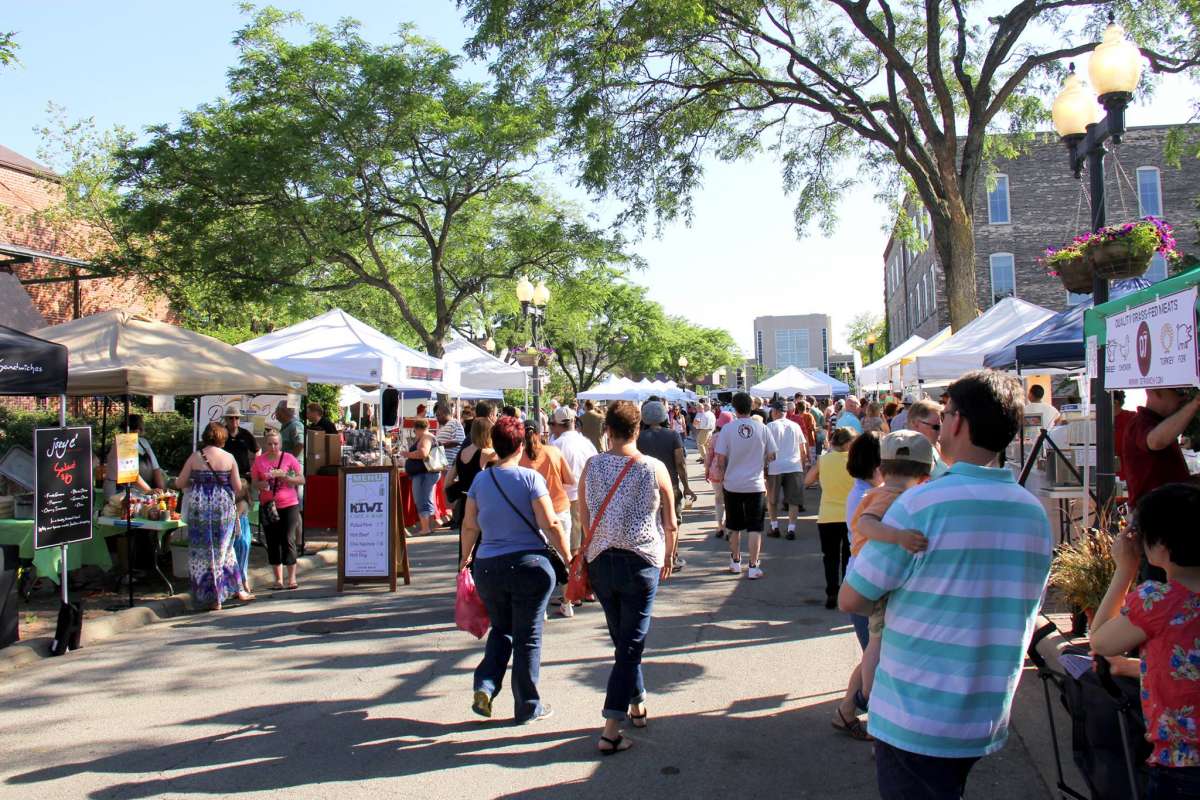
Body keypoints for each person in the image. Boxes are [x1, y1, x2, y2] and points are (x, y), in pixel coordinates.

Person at [840, 370, 1052, 800]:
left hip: (916, 712)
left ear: (957, 422)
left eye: (946, 414)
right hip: (986, 709)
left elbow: (854, 596)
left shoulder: (921, 504)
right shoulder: (1032, 512)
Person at [579, 400, 677, 755]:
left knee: (624, 639)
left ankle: (636, 702)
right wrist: (670, 552)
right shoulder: (654, 467)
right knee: (631, 642)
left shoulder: (592, 466)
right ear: (638, 430)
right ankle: (610, 728)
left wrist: (592, 547)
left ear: (608, 430)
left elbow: (584, 515)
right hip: (641, 558)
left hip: (601, 559)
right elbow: (671, 518)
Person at [1090, 483, 1200, 798]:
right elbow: (1188, 665)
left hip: (1181, 765)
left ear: (1160, 546)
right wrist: (1133, 667)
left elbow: (1101, 641)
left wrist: (1125, 569)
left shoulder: (1160, 600)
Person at [458, 415, 569, 725]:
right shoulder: (530, 479)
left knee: (502, 627)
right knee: (528, 637)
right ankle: (527, 705)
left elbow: (469, 525)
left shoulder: (481, 480)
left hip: (489, 567)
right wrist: (569, 556)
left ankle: (486, 684)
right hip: (529, 566)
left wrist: (465, 558)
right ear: (521, 445)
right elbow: (551, 522)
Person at [834, 430, 932, 742]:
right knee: (877, 646)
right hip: (874, 582)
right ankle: (872, 703)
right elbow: (865, 524)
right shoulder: (887, 496)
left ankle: (853, 707)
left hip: (873, 579)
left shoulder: (878, 492)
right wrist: (900, 538)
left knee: (875, 645)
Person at [174, 422, 250, 610]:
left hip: (200, 507)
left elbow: (180, 482)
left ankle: (210, 596)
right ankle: (234, 589)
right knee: (225, 548)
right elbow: (237, 487)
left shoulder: (195, 457)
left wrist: (196, 481)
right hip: (223, 507)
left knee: (203, 550)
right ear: (223, 438)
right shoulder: (229, 457)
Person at [713, 392, 777, 579]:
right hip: (755, 484)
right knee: (755, 527)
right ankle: (753, 566)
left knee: (734, 525)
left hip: (732, 483)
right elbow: (772, 454)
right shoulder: (762, 428)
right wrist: (762, 459)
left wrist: (724, 475)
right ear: (752, 407)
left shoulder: (727, 429)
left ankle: (735, 561)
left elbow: (720, 457)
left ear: (734, 407)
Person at [547, 406, 597, 617]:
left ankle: (573, 591)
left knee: (571, 548)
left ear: (558, 425)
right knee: (587, 546)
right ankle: (587, 589)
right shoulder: (586, 442)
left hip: (568, 499)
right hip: (590, 497)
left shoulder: (556, 445)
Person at [637, 401, 694, 568]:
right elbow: (680, 464)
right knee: (672, 522)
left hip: (646, 487)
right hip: (671, 486)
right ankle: (672, 557)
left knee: (650, 521)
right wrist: (687, 486)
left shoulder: (638, 438)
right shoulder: (673, 435)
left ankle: (652, 555)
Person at [1122, 388, 1200, 510]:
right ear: (1156, 391)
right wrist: (1194, 404)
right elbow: (1154, 441)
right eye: (1179, 392)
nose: (1184, 397)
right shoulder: (1140, 423)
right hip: (1154, 514)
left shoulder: (1162, 424)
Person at [805, 427, 857, 608]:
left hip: (827, 516)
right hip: (851, 516)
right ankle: (846, 591)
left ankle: (831, 592)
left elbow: (807, 481)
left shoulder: (823, 460)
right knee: (849, 556)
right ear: (850, 443)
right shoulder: (855, 461)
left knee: (830, 556)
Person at [841, 431, 882, 652]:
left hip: (861, 581)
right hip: (865, 584)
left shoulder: (866, 491)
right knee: (873, 660)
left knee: (870, 659)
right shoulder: (868, 497)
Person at [251, 429, 305, 590]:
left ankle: (292, 578)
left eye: (275, 443)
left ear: (280, 444)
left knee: (287, 539)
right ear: (265, 444)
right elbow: (254, 482)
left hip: (289, 504)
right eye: (269, 444)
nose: (273, 447)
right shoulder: (259, 461)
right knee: (272, 540)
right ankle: (278, 579)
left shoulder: (288, 458)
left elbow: (302, 479)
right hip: (268, 504)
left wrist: (288, 478)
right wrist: (261, 484)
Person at [221, 404, 259, 597]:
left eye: (236, 418)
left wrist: (254, 469)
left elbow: (257, 451)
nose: (234, 421)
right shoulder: (222, 436)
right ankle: (238, 579)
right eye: (230, 418)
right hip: (226, 481)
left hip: (243, 480)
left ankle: (241, 578)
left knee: (242, 526)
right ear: (226, 420)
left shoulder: (245, 435)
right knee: (234, 534)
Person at [446, 418, 497, 545]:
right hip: (482, 503)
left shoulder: (462, 452)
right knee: (482, 543)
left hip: (464, 503)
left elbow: (448, 482)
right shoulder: (487, 453)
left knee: (466, 543)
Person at [766, 400, 807, 539]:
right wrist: (802, 464)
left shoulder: (770, 426)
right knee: (793, 500)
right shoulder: (795, 426)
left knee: (772, 499)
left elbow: (766, 449)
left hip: (775, 466)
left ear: (776, 412)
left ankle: (774, 526)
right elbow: (803, 450)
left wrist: (765, 465)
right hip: (794, 466)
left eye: (772, 411)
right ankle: (791, 529)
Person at [103, 413, 166, 499]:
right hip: (120, 491)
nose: (139, 431)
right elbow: (130, 474)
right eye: (136, 428)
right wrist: (149, 491)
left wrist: (162, 491)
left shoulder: (143, 442)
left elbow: (156, 469)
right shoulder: (123, 443)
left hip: (142, 490)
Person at [403, 418, 441, 536]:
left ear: (417, 429)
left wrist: (407, 454)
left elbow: (423, 453)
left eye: (415, 430)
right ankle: (429, 525)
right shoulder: (428, 436)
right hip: (426, 473)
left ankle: (426, 528)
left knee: (421, 500)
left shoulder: (426, 437)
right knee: (427, 499)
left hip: (424, 474)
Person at [705, 410, 733, 539]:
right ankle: (728, 527)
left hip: (716, 470)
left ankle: (719, 526)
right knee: (730, 500)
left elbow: (709, 455)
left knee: (718, 499)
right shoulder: (734, 436)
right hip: (732, 470)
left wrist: (706, 469)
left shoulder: (715, 437)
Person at [905, 398, 950, 478]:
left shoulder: (936, 446)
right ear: (915, 424)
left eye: (940, 427)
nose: (939, 432)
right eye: (936, 427)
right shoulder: (906, 453)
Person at [1112, 390, 1135, 485]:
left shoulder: (1132, 417)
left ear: (1115, 402)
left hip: (1129, 469)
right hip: (1109, 471)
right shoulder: (1100, 419)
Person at [435, 401, 466, 470]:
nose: (437, 418)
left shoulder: (455, 423)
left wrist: (440, 445)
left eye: (438, 415)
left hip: (450, 467)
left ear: (444, 413)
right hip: (442, 466)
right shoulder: (443, 426)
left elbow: (458, 441)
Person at [692, 399, 715, 464]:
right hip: (710, 430)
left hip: (704, 430)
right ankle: (707, 458)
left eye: (704, 406)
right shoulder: (712, 414)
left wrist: (695, 425)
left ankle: (705, 458)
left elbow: (698, 422)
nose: (703, 407)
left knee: (700, 444)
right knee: (706, 445)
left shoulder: (705, 414)